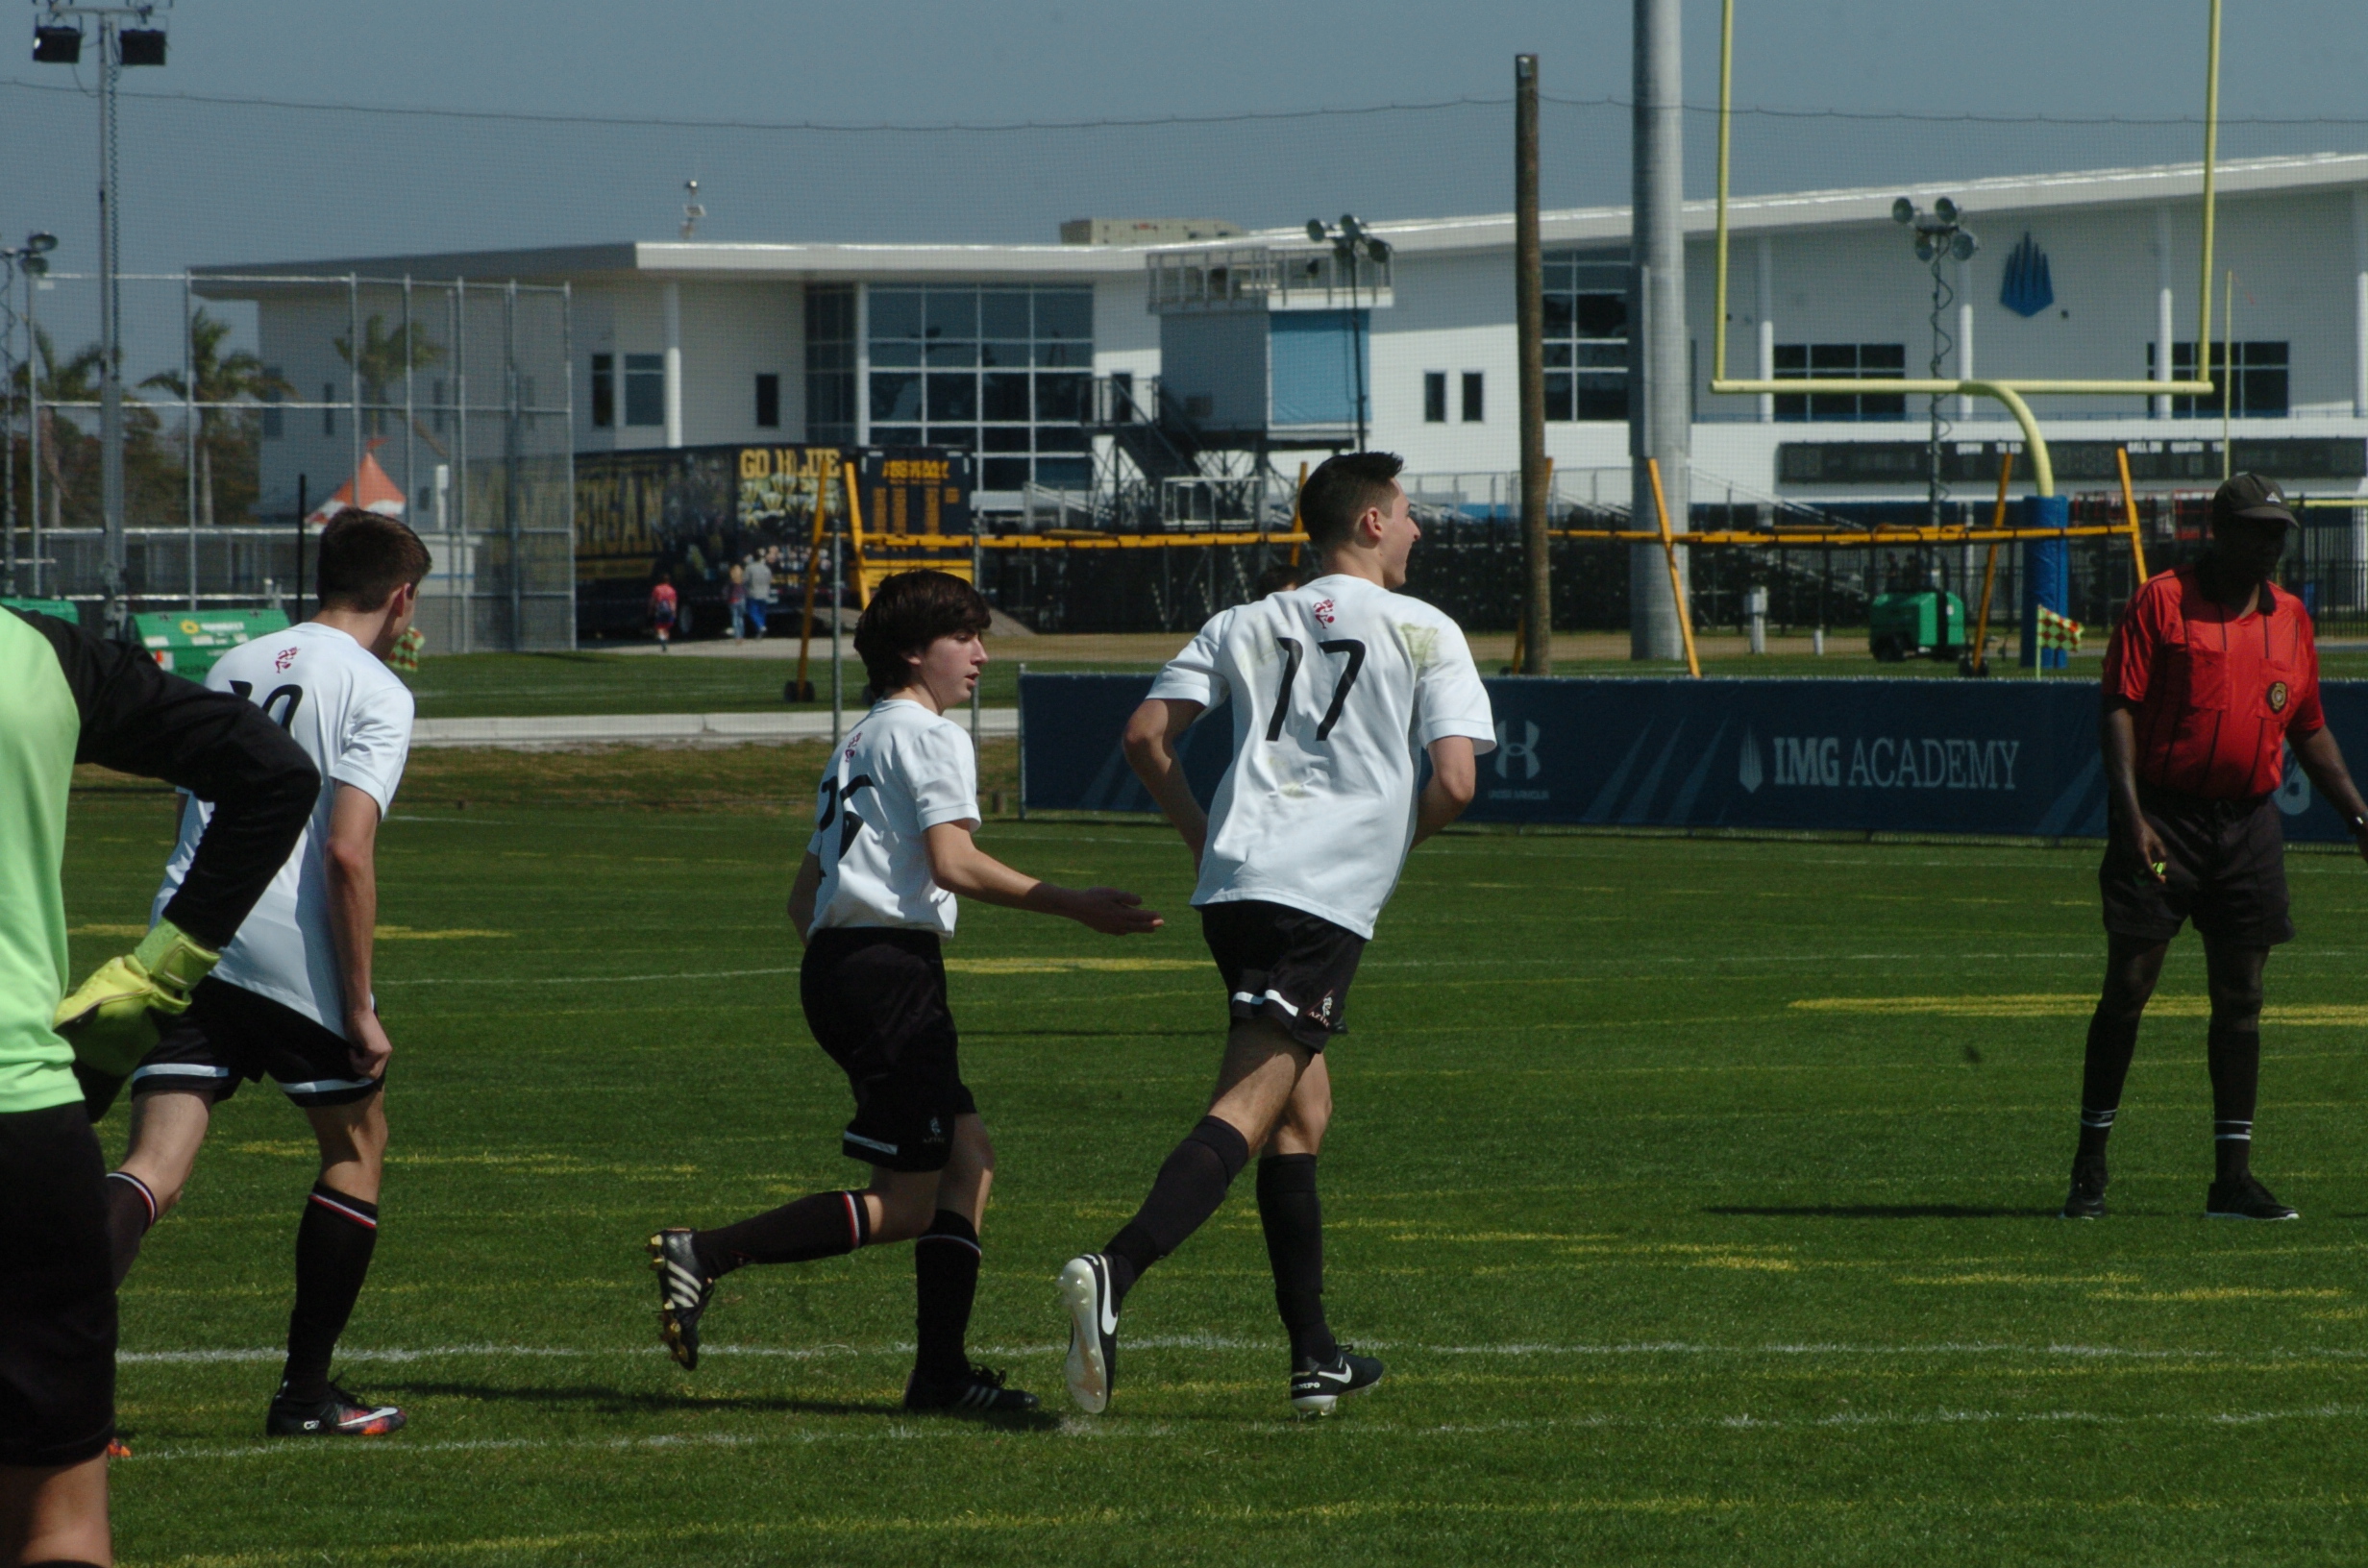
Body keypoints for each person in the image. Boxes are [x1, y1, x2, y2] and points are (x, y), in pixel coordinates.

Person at [648, 569, 1162, 1414]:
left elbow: (802, 898)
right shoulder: (928, 736)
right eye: (965, 637)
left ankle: (941, 1376)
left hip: (850, 968)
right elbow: (954, 864)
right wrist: (1074, 904)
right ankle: (705, 1253)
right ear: (915, 652)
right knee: (908, 1203)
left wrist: (851, 968)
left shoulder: (859, 739)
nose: (983, 655)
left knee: (970, 1160)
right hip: (888, 975)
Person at [1057, 452, 1495, 1416]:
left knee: (1302, 1110)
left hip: (1238, 886)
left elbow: (1143, 736)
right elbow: (1457, 782)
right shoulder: (1425, 628)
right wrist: (1384, 846)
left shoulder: (1242, 620)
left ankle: (1314, 1357)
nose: (1417, 529)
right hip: (1318, 896)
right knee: (1250, 1108)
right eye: (1407, 512)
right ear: (1371, 523)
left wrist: (1202, 835)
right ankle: (1115, 1269)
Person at [105, 508, 432, 1437]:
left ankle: (45, 1385)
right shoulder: (377, 688)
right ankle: (303, 1398)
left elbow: (191, 816)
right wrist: (360, 1006)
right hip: (291, 950)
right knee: (356, 1148)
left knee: (153, 1167)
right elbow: (346, 852)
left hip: (190, 934)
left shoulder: (231, 664)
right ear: (401, 597)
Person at [2, 606, 317, 1568]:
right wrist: (158, 975)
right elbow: (273, 773)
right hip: (23, 1123)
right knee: (60, 1527)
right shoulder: (38, 650)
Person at [2064, 473, 2368, 1222]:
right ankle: (2090, 1169)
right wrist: (2131, 815)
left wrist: (2359, 818)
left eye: (2279, 532)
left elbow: (2307, 726)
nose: (2272, 544)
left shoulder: (2290, 617)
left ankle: (2232, 1182)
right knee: (2129, 985)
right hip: (2162, 820)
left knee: (2242, 997)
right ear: (2219, 531)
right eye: (2259, 530)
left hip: (2249, 827)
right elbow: (2118, 706)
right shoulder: (2162, 600)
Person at [744, 552, 773, 640]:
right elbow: (769, 580)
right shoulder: (766, 568)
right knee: (761, 612)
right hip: (764, 593)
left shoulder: (749, 568)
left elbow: (745, 580)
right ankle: (760, 631)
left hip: (753, 592)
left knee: (752, 611)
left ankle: (760, 626)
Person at [650, 574, 678, 651]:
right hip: (669, 610)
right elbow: (673, 602)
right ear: (668, 581)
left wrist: (650, 610)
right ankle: (665, 642)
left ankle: (662, 641)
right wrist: (674, 612)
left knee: (659, 628)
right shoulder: (671, 589)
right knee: (667, 629)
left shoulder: (657, 589)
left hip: (660, 610)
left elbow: (653, 601)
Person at [727, 560, 748, 641]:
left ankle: (737, 636)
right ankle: (741, 635)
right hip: (742, 600)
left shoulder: (731, 581)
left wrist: (726, 597)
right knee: (740, 618)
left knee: (735, 618)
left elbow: (726, 591)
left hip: (733, 600)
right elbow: (746, 590)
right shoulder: (743, 581)